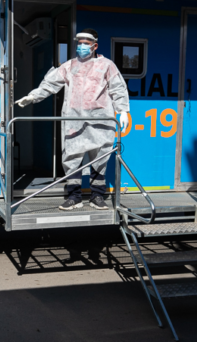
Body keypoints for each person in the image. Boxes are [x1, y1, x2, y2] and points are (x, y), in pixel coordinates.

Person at [15, 28, 130, 211]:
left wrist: (123, 111)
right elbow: (50, 84)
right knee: (72, 157)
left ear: (95, 46)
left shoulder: (107, 65)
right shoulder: (69, 66)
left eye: (86, 43)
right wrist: (33, 96)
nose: (81, 46)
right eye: (80, 43)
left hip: (101, 120)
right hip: (74, 120)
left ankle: (97, 196)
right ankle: (74, 197)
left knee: (100, 158)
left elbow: (118, 89)